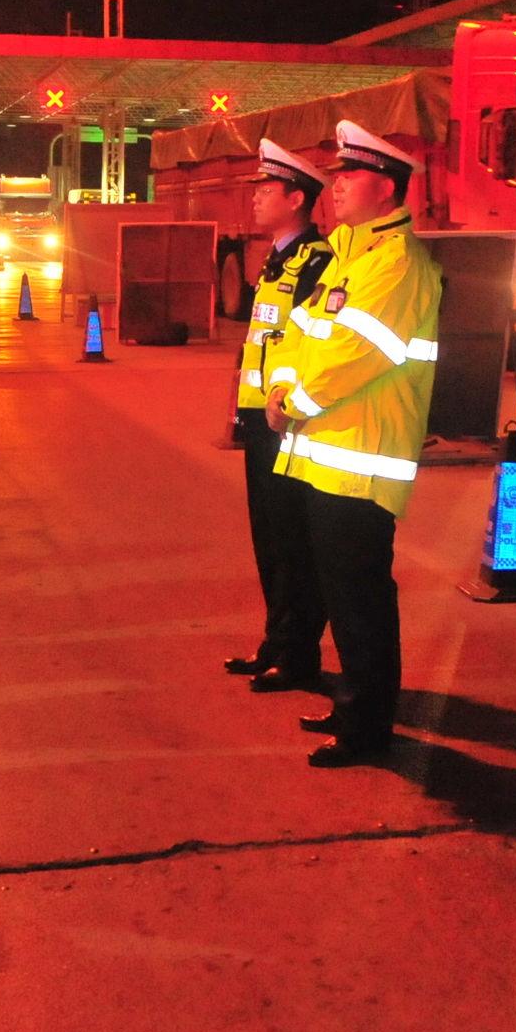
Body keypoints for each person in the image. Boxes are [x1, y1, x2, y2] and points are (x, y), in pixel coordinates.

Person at [266, 120, 443, 768]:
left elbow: (357, 353)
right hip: (327, 454)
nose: (334, 185)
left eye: (349, 175)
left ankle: (368, 727)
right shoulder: (349, 254)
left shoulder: (396, 263)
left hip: (362, 458)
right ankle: (352, 707)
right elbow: (298, 334)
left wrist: (297, 402)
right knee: (344, 596)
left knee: (362, 598)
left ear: (387, 187)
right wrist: (283, 387)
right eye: (336, 174)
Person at [223, 138, 333, 694]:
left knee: (292, 541)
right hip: (259, 419)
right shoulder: (276, 261)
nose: (256, 201)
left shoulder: (317, 262)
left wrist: (287, 407)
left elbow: (314, 347)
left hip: (289, 423)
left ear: (296, 198)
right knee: (268, 538)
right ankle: (276, 641)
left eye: (266, 191)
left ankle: (298, 655)